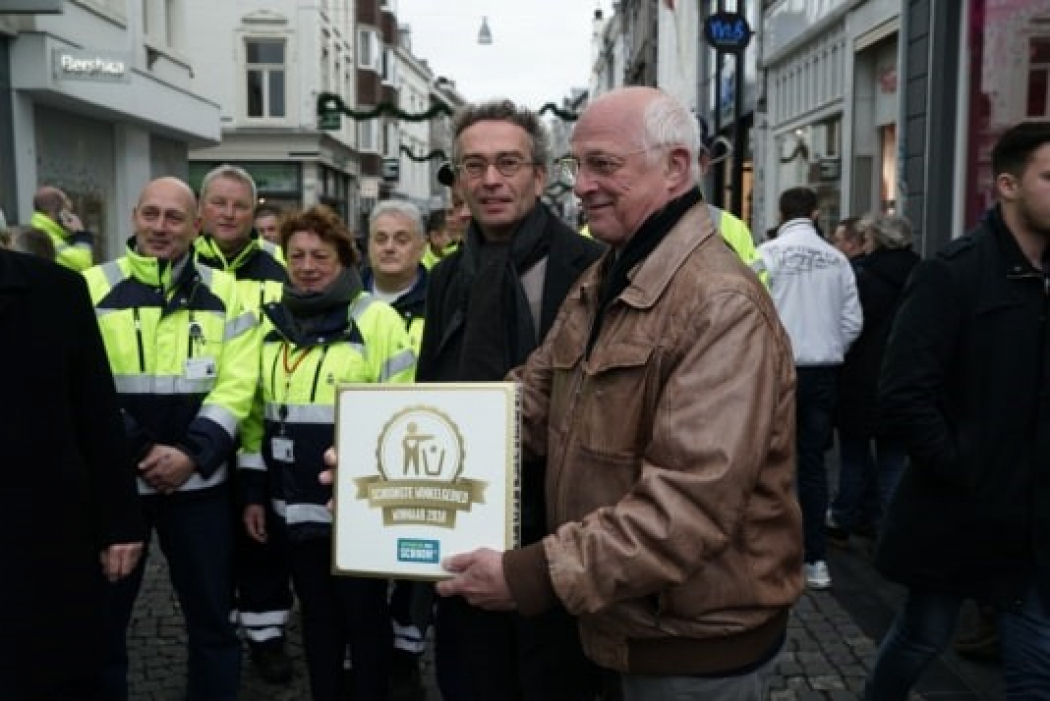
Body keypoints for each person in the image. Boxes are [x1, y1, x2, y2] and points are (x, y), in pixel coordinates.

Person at [434, 86, 803, 700]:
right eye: (578, 166)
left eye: (603, 165)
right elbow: (526, 404)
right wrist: (387, 458)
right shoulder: (609, 276)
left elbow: (688, 506)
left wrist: (531, 575)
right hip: (623, 625)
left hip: (689, 649)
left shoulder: (719, 302)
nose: (580, 186)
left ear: (676, 168)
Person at [417, 98, 605, 701]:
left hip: (560, 534)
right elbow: (432, 393)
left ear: (540, 176)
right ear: (459, 180)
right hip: (464, 526)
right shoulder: (445, 278)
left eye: (508, 163)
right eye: (474, 166)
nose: (491, 180)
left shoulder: (595, 270)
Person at [865, 120, 1050, 699]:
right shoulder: (953, 272)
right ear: (1008, 185)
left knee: (1035, 670)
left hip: (1034, 520)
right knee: (923, 634)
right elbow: (902, 392)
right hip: (961, 510)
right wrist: (963, 466)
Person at [84, 176, 259, 700]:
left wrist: (190, 454)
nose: (161, 228)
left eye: (175, 217)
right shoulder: (91, 288)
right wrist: (139, 450)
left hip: (200, 488)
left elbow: (238, 385)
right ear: (133, 216)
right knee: (102, 626)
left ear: (197, 225)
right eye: (151, 215)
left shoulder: (230, 295)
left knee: (212, 625)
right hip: (117, 491)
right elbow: (84, 386)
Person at [240, 204, 416, 701]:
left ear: (344, 260)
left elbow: (400, 407)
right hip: (292, 507)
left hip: (358, 508)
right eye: (296, 255)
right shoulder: (270, 323)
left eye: (320, 255)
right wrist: (254, 490)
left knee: (363, 618)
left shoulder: (376, 321)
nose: (307, 265)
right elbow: (255, 415)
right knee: (316, 619)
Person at [0, 248, 145, 700]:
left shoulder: (56, 290)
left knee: (52, 668)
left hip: (42, 532)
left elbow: (96, 413)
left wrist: (119, 521)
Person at [194, 163, 294, 683]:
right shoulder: (181, 266)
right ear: (201, 208)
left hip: (268, 425)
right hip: (201, 430)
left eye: (239, 205)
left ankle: (266, 634)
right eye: (218, 203)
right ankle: (216, 629)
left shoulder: (281, 268)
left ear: (253, 212)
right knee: (209, 541)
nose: (229, 213)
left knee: (263, 535)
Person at [754, 186, 862, 591]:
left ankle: (769, 554)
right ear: (816, 214)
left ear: (782, 213)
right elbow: (853, 320)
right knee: (813, 466)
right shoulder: (837, 260)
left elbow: (750, 309)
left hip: (777, 370)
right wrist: (829, 346)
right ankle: (816, 559)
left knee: (767, 462)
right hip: (823, 371)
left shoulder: (767, 255)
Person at [361, 199, 432, 698]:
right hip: (355, 449)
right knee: (359, 559)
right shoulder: (344, 301)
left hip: (419, 447)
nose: (389, 247)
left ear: (422, 246)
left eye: (401, 238)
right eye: (380, 238)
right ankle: (362, 645)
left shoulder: (445, 296)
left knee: (414, 559)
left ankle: (407, 649)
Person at [826, 214, 918, 548]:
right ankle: (888, 528)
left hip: (861, 379)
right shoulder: (922, 274)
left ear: (874, 240)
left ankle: (844, 517)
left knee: (853, 457)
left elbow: (848, 325)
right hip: (902, 378)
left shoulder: (862, 277)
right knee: (893, 461)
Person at [29, 185, 96, 270]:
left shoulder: (42, 230)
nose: (72, 216)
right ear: (60, 213)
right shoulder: (46, 236)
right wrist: (81, 235)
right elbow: (83, 265)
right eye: (68, 211)